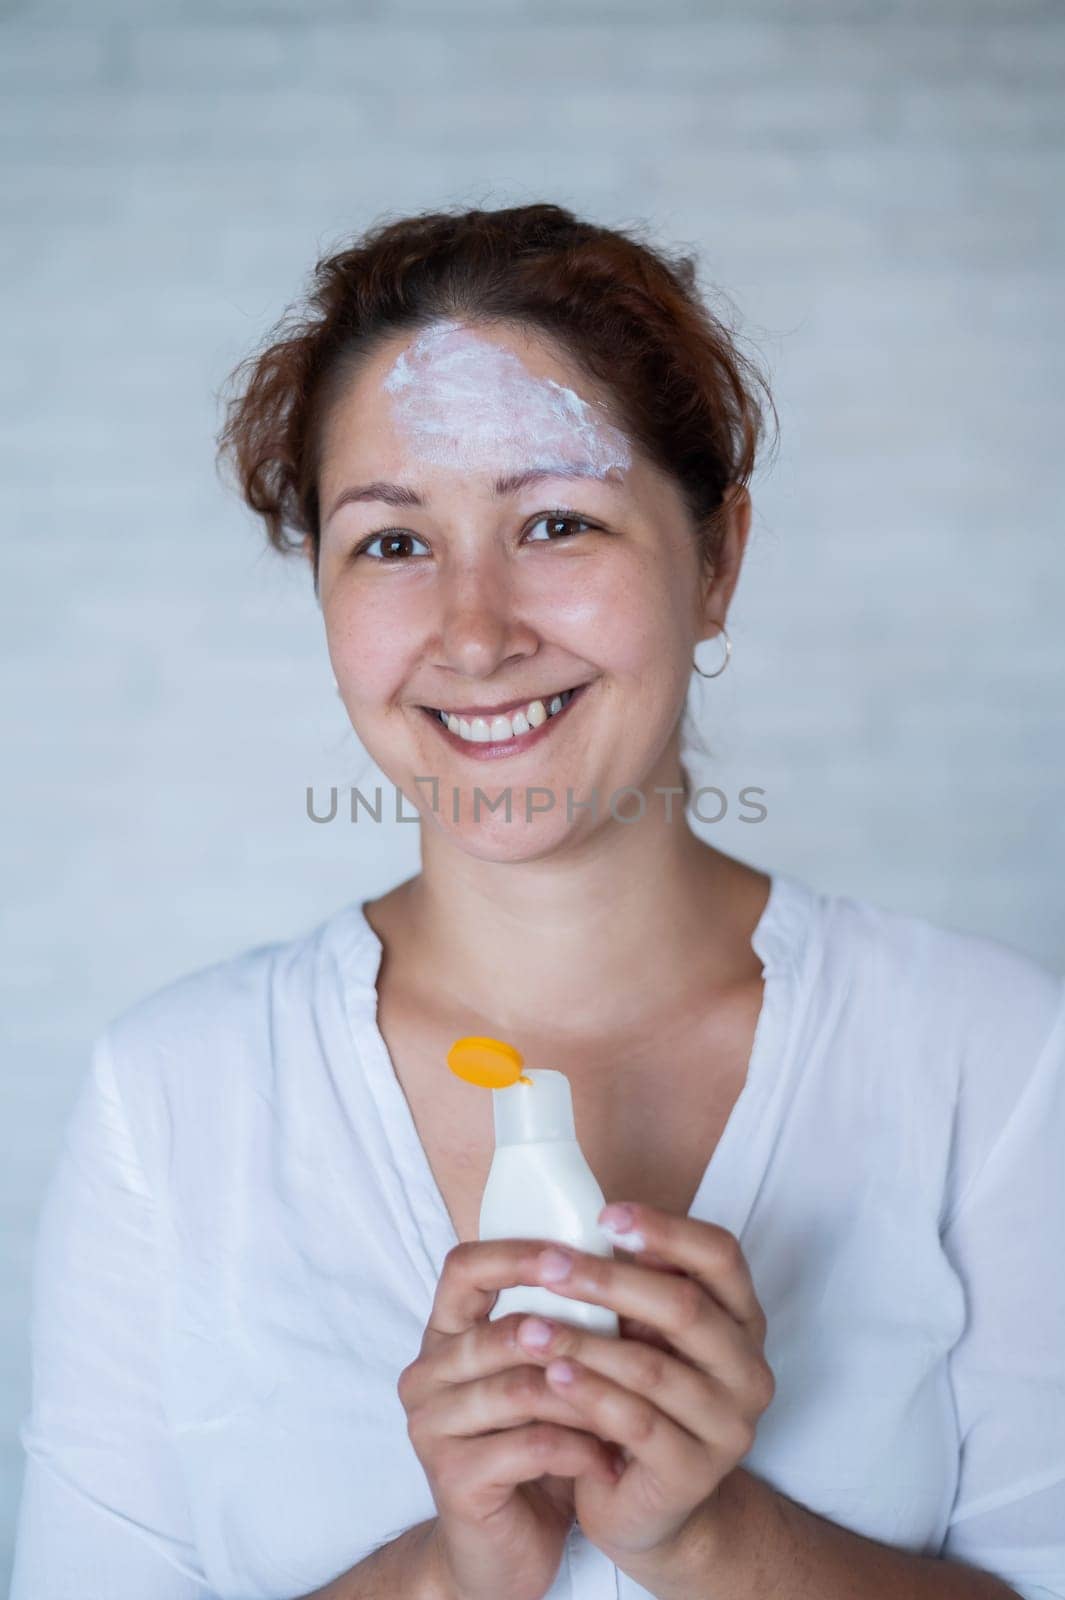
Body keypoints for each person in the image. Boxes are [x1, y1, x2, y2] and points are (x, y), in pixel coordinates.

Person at [10, 203, 1065, 1600]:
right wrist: (451, 1574)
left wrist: (709, 1541)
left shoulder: (992, 1057)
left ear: (718, 562)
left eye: (557, 523)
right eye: (391, 544)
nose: (473, 632)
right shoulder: (174, 1098)